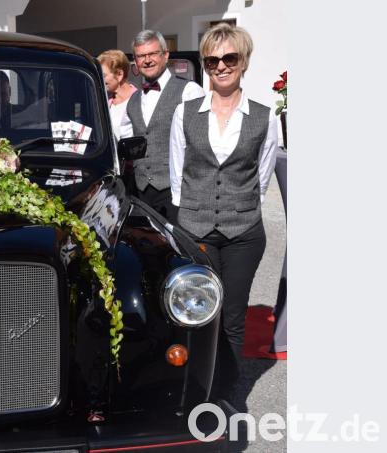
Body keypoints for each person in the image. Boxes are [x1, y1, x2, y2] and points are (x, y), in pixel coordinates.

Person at [168, 23, 278, 402]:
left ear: (243, 61)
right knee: (198, 313)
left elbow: (261, 180)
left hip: (243, 232)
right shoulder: (185, 114)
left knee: (232, 316)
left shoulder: (265, 117)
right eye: (212, 60)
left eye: (229, 57)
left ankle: (226, 393)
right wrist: (194, 216)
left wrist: (236, 205)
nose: (221, 66)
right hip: (196, 228)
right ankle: (196, 389)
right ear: (205, 64)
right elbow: (177, 174)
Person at [124, 30, 204, 223]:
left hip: (178, 194)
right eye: (141, 56)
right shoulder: (133, 100)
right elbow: (126, 142)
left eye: (152, 54)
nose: (147, 60)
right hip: (141, 194)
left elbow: (202, 146)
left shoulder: (189, 91)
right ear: (135, 60)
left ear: (165, 55)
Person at [97, 49, 138, 139]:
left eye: (103, 76)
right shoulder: (105, 99)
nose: (99, 79)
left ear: (119, 75)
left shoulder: (139, 100)